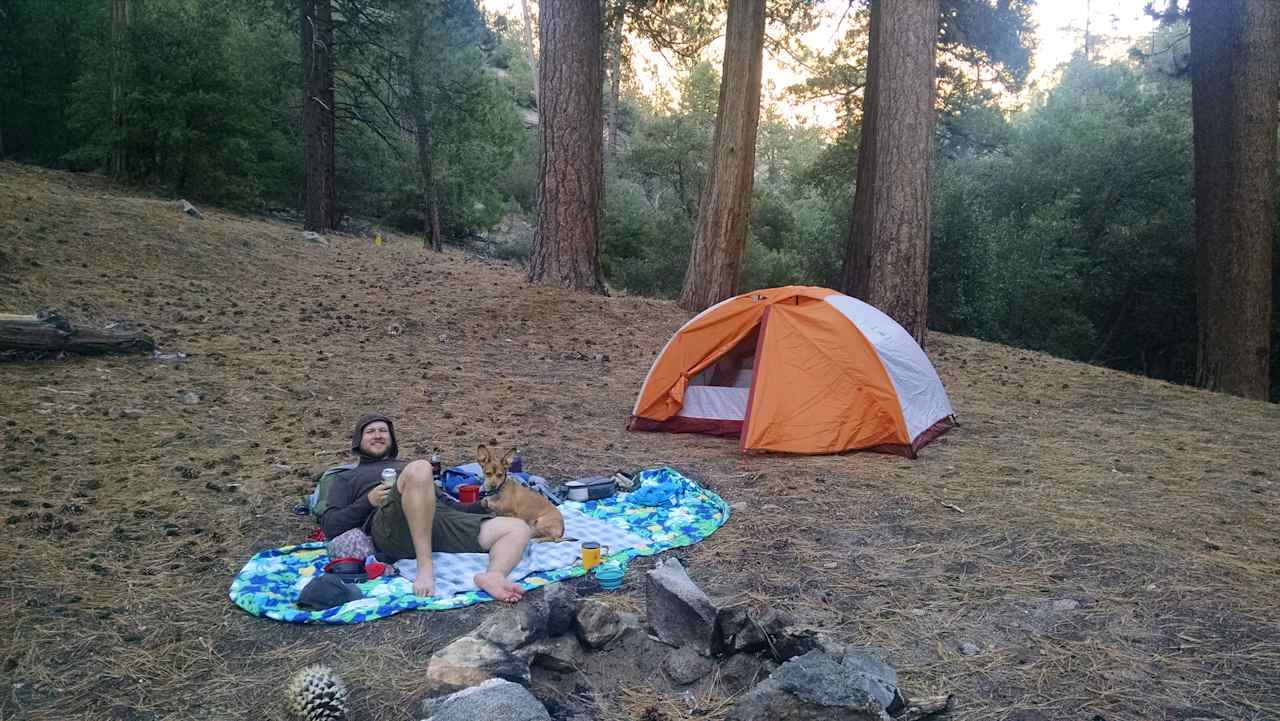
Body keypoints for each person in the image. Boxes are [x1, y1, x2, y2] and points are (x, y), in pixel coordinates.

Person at [320, 413, 530, 603]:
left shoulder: (406, 467)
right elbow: (330, 525)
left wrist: (481, 505)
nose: (378, 435)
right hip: (393, 528)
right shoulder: (345, 478)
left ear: (391, 439)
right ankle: (425, 565)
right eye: (370, 432)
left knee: (517, 528)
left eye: (383, 431)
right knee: (421, 466)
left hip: (437, 522)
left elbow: (449, 505)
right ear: (359, 440)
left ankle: (493, 575)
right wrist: (368, 500)